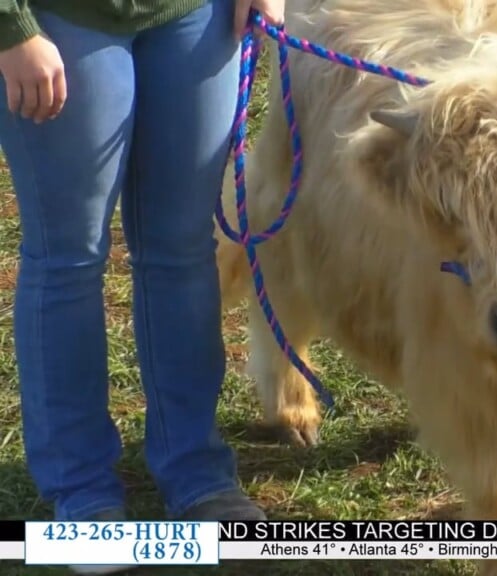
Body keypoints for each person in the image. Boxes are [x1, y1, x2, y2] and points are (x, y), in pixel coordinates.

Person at [0, 0, 285, 570]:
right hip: (60, 18)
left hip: (195, 18)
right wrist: (11, 27)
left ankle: (199, 474)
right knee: (69, 257)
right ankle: (82, 493)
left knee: (183, 250)